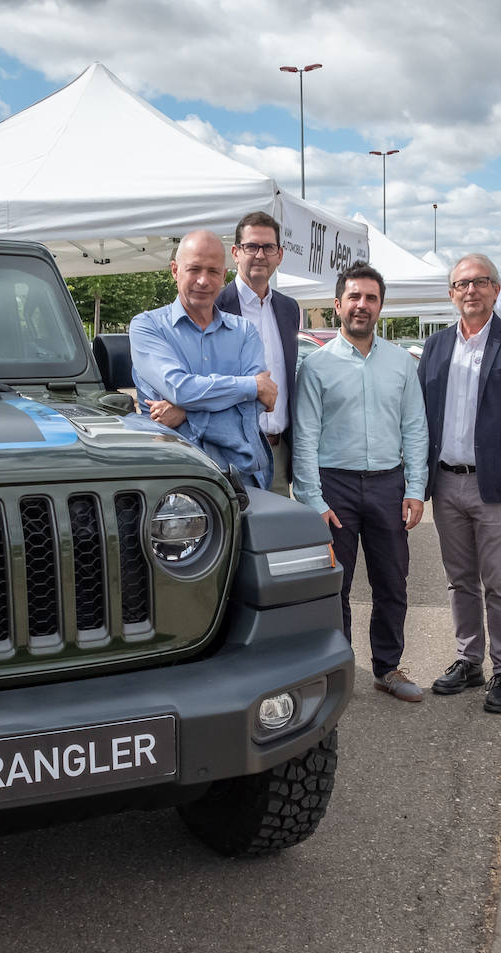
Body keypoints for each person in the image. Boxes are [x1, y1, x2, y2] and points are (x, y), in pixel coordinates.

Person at [418, 254, 501, 713]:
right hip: (446, 483)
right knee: (460, 581)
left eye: (480, 282)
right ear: (451, 293)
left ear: (495, 290)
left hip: (498, 488)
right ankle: (469, 660)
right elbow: (420, 419)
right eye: (461, 284)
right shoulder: (434, 347)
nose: (470, 290)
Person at [293, 261, 428, 703]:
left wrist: (413, 487)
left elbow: (415, 428)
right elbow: (306, 436)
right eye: (354, 297)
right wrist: (312, 498)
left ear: (381, 307)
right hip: (336, 489)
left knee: (393, 582)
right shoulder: (316, 366)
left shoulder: (400, 364)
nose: (362, 305)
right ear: (337, 305)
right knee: (337, 586)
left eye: (371, 298)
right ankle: (340, 668)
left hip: (388, 485)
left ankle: (387, 668)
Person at [128, 230, 277, 489]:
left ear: (224, 275)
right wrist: (250, 386)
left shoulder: (244, 332)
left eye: (213, 271)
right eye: (194, 269)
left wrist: (185, 414)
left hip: (244, 483)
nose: (203, 280)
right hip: (176, 486)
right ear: (175, 270)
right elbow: (180, 388)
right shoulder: (147, 327)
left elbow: (249, 415)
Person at [217, 211, 300, 497]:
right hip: (228, 451)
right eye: (251, 246)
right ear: (236, 253)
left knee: (276, 537)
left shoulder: (289, 309)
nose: (260, 254)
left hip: (277, 453)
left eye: (268, 247)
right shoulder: (215, 306)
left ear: (280, 254)